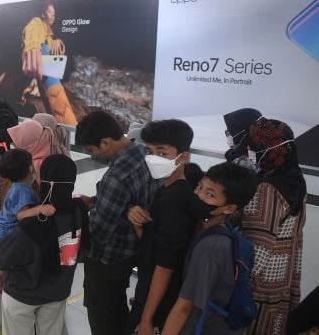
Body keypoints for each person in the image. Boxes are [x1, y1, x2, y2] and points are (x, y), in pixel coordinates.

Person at [74, 110, 159, 335]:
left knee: (102, 315)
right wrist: (95, 202)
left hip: (106, 260)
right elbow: (131, 200)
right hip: (130, 253)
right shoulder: (142, 152)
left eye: (91, 150)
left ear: (105, 142)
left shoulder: (116, 177)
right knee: (118, 305)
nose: (91, 155)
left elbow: (99, 233)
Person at [0, 154, 88, 335]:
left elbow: (4, 259)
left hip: (22, 293)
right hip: (58, 291)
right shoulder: (79, 210)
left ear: (45, 181)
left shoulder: (35, 221)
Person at [162, 162, 258, 335]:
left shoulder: (211, 246)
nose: (198, 195)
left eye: (210, 194)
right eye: (199, 187)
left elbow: (184, 307)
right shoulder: (212, 227)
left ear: (229, 208)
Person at [125, 119, 197, 335]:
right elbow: (153, 243)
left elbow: (165, 266)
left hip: (157, 301)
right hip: (148, 288)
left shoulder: (175, 199)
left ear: (183, 157)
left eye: (162, 153)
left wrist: (147, 319)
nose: (153, 158)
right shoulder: (165, 189)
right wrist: (135, 218)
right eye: (149, 151)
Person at [242, 118, 307, 334]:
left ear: (269, 150)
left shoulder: (266, 189)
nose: (250, 153)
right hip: (281, 280)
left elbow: (257, 248)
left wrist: (234, 282)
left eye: (254, 148)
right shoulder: (297, 179)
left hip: (258, 288)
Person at [0, 148, 55, 289]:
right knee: (20, 255)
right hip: (4, 235)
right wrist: (41, 209)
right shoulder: (23, 190)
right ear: (29, 168)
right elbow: (21, 215)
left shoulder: (16, 186)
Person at [22, 1, 77, 125]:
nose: (52, 16)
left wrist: (56, 41)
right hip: (25, 89)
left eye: (54, 14)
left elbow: (49, 43)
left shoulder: (48, 37)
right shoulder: (37, 24)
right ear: (43, 14)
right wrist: (32, 46)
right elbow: (33, 31)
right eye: (49, 12)